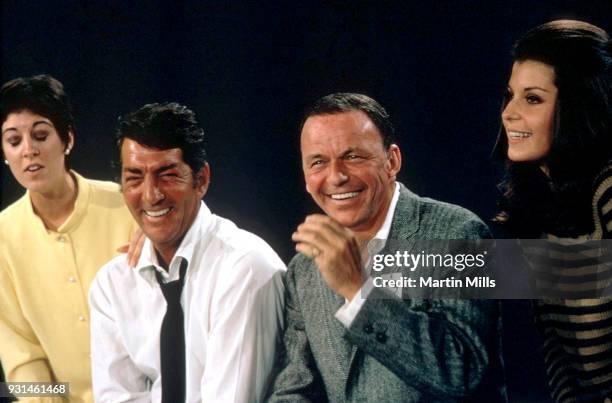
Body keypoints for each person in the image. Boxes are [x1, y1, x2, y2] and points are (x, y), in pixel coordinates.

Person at [269, 93, 507, 402]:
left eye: (352, 156)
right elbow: (295, 388)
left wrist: (358, 290)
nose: (336, 176)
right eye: (318, 162)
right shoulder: (304, 268)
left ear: (392, 161)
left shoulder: (460, 233)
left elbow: (460, 371)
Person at [89, 102, 286, 402]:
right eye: (134, 177)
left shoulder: (245, 268)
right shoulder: (112, 285)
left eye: (167, 175)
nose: (151, 195)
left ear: (201, 180)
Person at [493, 20, 612, 402]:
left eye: (532, 98)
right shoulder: (539, 205)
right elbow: (560, 359)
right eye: (510, 95)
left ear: (578, 106)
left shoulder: (608, 192)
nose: (508, 113)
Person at [0, 75, 136, 402]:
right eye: (13, 140)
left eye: (41, 135)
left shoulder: (127, 204)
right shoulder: (3, 237)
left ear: (68, 140)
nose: (29, 150)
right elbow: (22, 358)